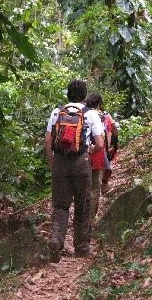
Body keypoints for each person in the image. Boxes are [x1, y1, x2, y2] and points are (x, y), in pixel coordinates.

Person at [45, 80, 104, 263]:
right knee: (83, 204)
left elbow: (48, 141)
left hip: (60, 163)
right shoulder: (90, 114)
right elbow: (100, 144)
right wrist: (89, 151)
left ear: (68, 94)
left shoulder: (57, 112)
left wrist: (52, 162)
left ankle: (56, 239)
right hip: (81, 163)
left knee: (61, 205)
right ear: (84, 96)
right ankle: (81, 248)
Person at [84, 92, 109, 220]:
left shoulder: (81, 113)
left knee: (84, 186)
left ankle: (81, 217)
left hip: (81, 155)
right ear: (99, 103)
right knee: (94, 186)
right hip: (96, 153)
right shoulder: (101, 116)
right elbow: (103, 138)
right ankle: (91, 218)